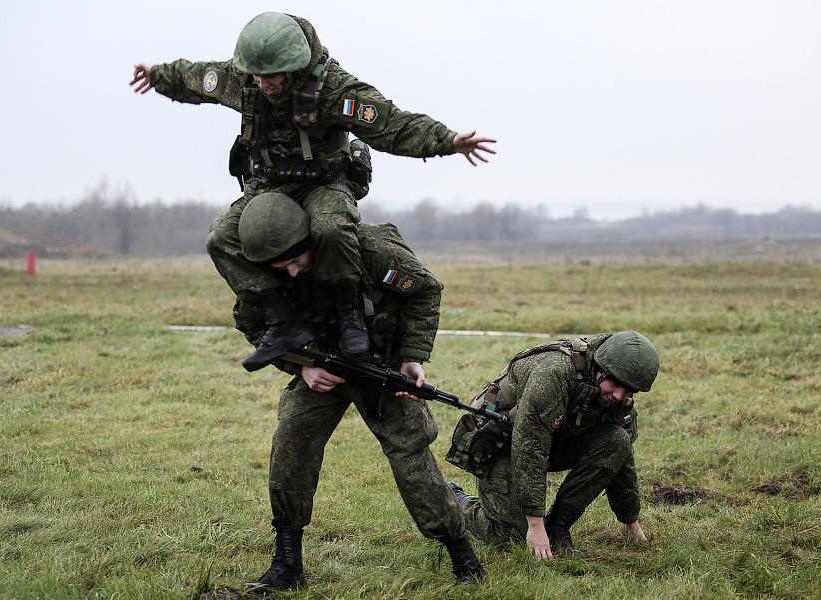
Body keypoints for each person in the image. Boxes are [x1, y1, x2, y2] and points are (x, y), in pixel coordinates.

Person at [130, 11, 496, 369]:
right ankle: (281, 320)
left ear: (292, 66)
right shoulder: (244, 79)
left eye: (270, 76)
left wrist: (446, 140)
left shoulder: (333, 90)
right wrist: (157, 75)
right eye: (256, 74)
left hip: (326, 184)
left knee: (329, 227)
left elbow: (391, 124)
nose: (262, 82)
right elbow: (196, 78)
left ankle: (349, 312)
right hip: (270, 186)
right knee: (221, 238)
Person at [229, 192, 485, 591]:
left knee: (411, 454)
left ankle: (463, 557)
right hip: (321, 369)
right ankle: (287, 565)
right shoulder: (266, 278)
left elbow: (425, 291)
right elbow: (253, 326)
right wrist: (303, 365)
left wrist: (411, 356)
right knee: (291, 443)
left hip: (382, 368)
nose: (292, 274)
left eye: (297, 262)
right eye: (283, 268)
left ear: (310, 243)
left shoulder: (370, 250)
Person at [444, 332, 660, 559]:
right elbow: (530, 445)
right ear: (600, 367)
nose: (618, 395)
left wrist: (631, 522)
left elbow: (621, 457)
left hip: (548, 441)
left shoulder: (616, 398)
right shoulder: (554, 371)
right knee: (511, 537)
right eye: (615, 384)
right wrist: (535, 525)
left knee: (617, 440)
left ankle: (557, 527)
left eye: (628, 391)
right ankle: (455, 498)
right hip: (498, 444)